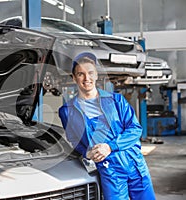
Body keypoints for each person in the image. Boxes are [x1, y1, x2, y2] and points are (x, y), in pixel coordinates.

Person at [58, 52, 156, 200]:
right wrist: (86, 153)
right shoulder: (67, 111)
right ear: (74, 78)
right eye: (81, 74)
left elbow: (135, 129)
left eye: (90, 73)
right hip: (110, 170)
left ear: (96, 75)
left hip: (135, 165)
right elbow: (74, 141)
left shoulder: (116, 101)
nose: (87, 78)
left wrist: (110, 146)